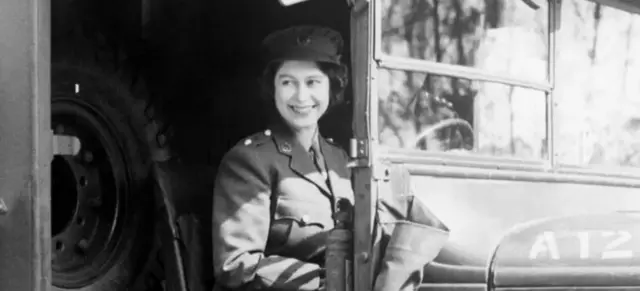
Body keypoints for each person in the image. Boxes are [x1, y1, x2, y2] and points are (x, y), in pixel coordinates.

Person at [211, 25, 354, 291]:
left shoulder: (341, 160)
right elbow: (237, 265)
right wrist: (331, 282)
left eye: (312, 82)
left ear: (331, 87)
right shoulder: (249, 160)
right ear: (273, 89)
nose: (301, 96)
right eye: (288, 82)